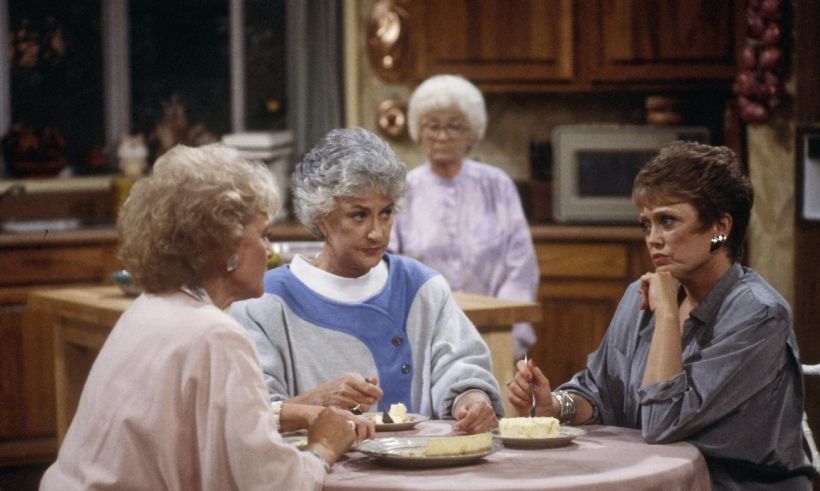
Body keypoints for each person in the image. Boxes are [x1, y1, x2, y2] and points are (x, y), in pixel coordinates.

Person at [40, 144, 373, 490]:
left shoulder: (152, 306)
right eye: (263, 235)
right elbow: (269, 484)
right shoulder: (214, 333)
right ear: (226, 246)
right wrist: (324, 448)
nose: (270, 252)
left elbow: (193, 424)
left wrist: (286, 415)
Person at [507, 141, 812, 490]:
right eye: (646, 225)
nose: (653, 239)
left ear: (719, 229)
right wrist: (555, 406)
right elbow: (600, 391)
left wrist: (667, 317)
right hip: (654, 477)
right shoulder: (642, 297)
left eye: (667, 221)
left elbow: (661, 423)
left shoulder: (758, 315)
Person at [230, 127, 503, 434]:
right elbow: (253, 417)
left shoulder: (420, 286)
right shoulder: (264, 301)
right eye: (359, 215)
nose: (377, 232)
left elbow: (462, 369)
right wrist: (317, 401)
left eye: (385, 213)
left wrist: (473, 400)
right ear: (321, 217)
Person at [388, 74, 540, 361]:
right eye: (433, 126)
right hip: (422, 336)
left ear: (472, 133)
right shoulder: (402, 190)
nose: (442, 136)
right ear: (418, 133)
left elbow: (520, 267)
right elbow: (390, 265)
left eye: (454, 126)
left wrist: (507, 329)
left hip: (494, 332)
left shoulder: (497, 185)